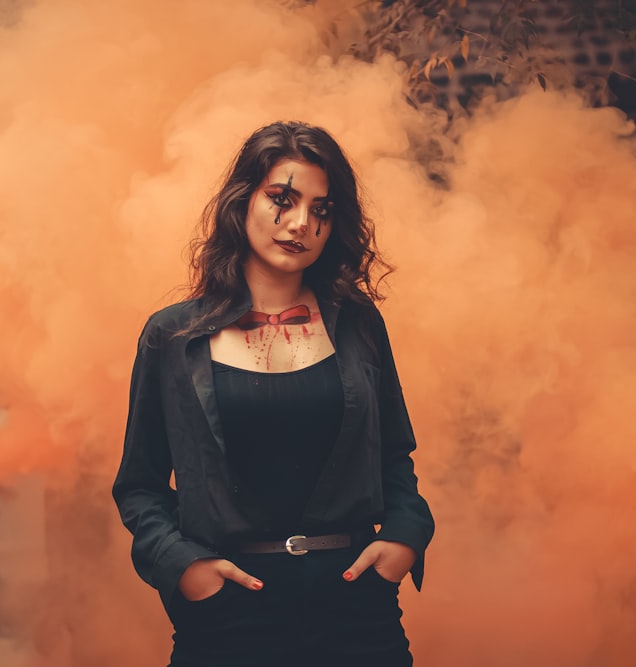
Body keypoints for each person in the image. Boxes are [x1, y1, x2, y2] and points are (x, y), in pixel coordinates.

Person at [112, 121, 434, 666]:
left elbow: (396, 458)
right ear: (242, 202)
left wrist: (403, 539)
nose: (301, 222)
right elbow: (139, 485)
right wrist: (186, 568)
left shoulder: (358, 324)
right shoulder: (171, 337)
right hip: (227, 615)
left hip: (357, 608)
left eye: (322, 209)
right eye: (281, 199)